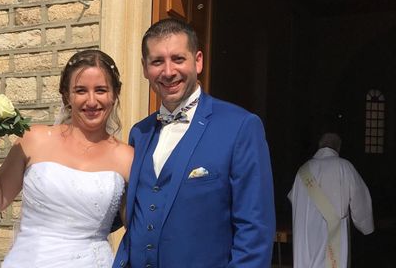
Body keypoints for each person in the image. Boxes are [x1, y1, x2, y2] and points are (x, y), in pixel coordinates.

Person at [113, 18, 276, 268]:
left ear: (198, 61)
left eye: (178, 59)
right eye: (157, 61)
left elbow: (254, 230)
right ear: (145, 68)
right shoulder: (140, 133)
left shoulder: (240, 127)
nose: (168, 72)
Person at [0, 49, 134, 267]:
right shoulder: (34, 139)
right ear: (66, 95)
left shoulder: (127, 157)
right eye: (80, 90)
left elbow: (138, 230)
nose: (91, 101)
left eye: (100, 90)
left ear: (114, 94)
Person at [288, 132, 374, 268]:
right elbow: (360, 199)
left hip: (305, 237)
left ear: (320, 146)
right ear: (338, 148)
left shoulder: (302, 171)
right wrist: (365, 226)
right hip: (330, 236)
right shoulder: (344, 167)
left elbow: (293, 198)